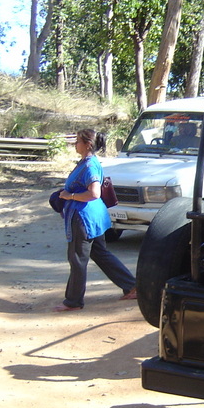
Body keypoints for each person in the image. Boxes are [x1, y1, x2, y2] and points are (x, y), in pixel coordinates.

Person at [55, 129, 137, 312]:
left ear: (88, 144)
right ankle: (131, 285)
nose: (75, 144)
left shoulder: (90, 165)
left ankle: (73, 301)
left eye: (78, 141)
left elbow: (94, 193)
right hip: (94, 217)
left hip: (84, 218)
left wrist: (70, 196)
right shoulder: (87, 162)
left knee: (77, 258)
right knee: (100, 253)